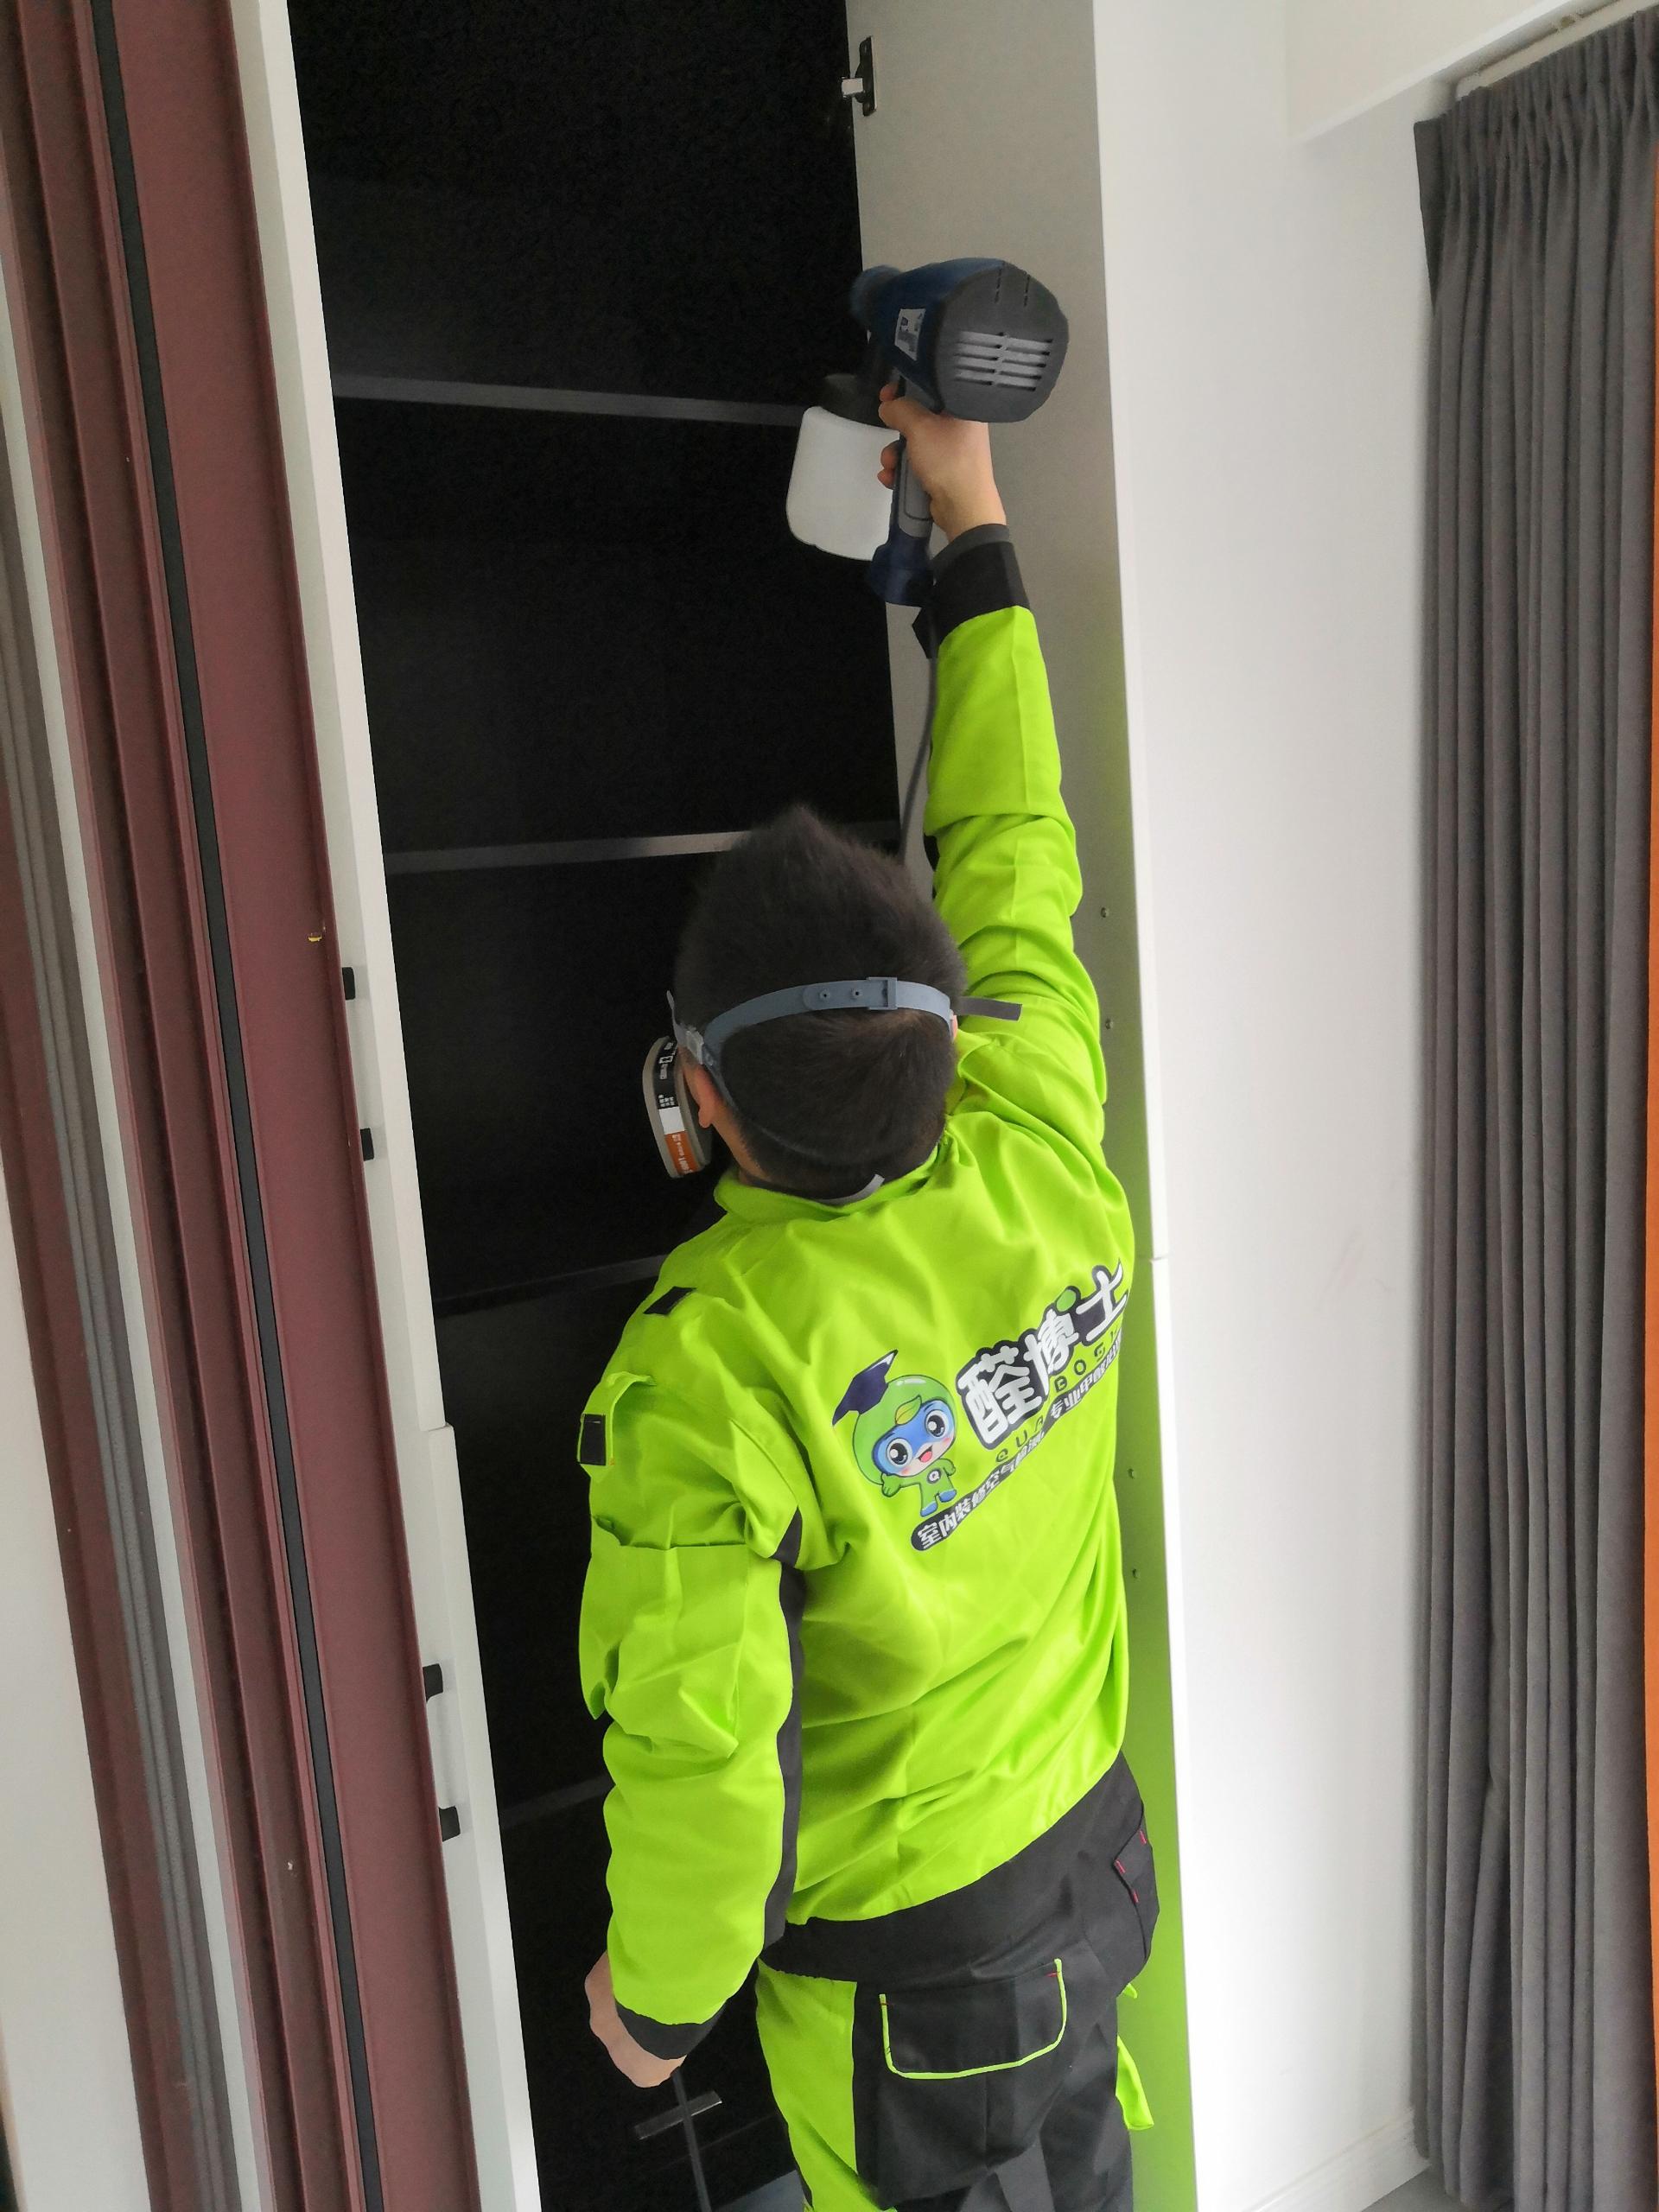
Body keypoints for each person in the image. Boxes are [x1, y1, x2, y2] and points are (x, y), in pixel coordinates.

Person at [578, 388, 1155, 2212]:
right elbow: (1017, 846)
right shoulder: (1038, 1125)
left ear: (698, 1098)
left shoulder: (707, 1371)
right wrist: (972, 524)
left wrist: (654, 2005)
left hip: (909, 1987)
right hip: (1091, 1859)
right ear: (949, 1029)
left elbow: (705, 1750)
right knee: (1090, 2170)